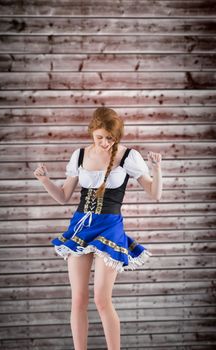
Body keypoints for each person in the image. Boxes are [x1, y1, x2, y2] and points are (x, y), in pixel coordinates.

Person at [33, 106, 162, 350]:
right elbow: (63, 196)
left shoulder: (127, 157)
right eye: (99, 137)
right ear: (92, 131)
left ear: (117, 137)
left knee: (102, 301)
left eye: (109, 138)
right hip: (81, 227)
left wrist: (157, 170)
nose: (104, 143)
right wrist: (44, 180)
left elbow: (154, 194)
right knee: (78, 300)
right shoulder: (79, 155)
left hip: (110, 228)